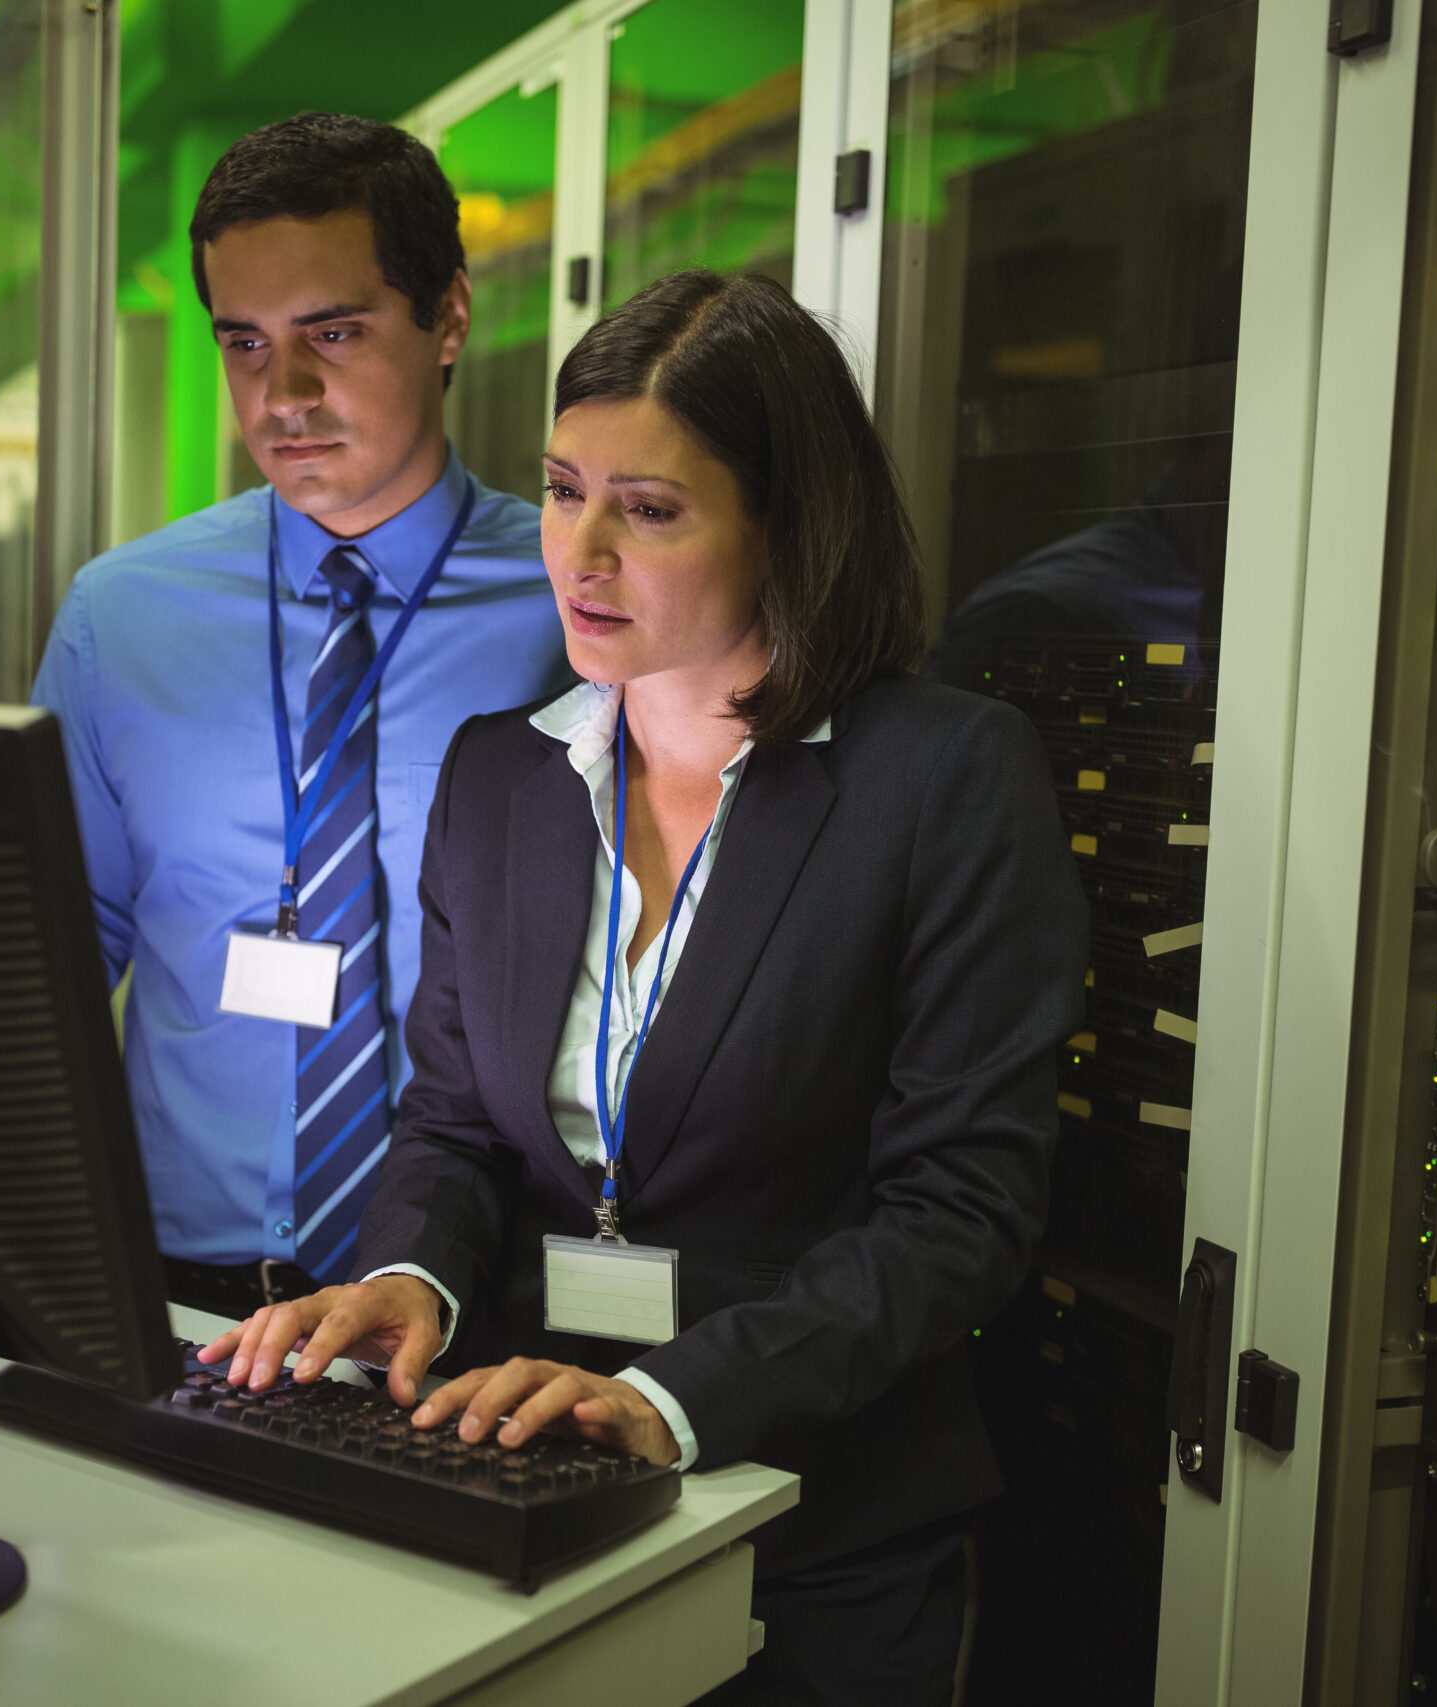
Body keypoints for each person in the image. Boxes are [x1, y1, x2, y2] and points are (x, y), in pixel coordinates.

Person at [204, 270, 1090, 1702]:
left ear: (788, 524)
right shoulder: (502, 775)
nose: (583, 552)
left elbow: (961, 1213)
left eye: (651, 509)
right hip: (519, 1479)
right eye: (562, 491)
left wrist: (675, 1397)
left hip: (817, 1516)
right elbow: (452, 1121)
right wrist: (407, 1271)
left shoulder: (943, 778)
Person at [32, 115, 568, 1318]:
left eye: (333, 332)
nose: (285, 394)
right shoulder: (122, 616)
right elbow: (47, 962)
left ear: (449, 319)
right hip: (175, 1287)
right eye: (244, 343)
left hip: (463, 1298)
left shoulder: (574, 606)